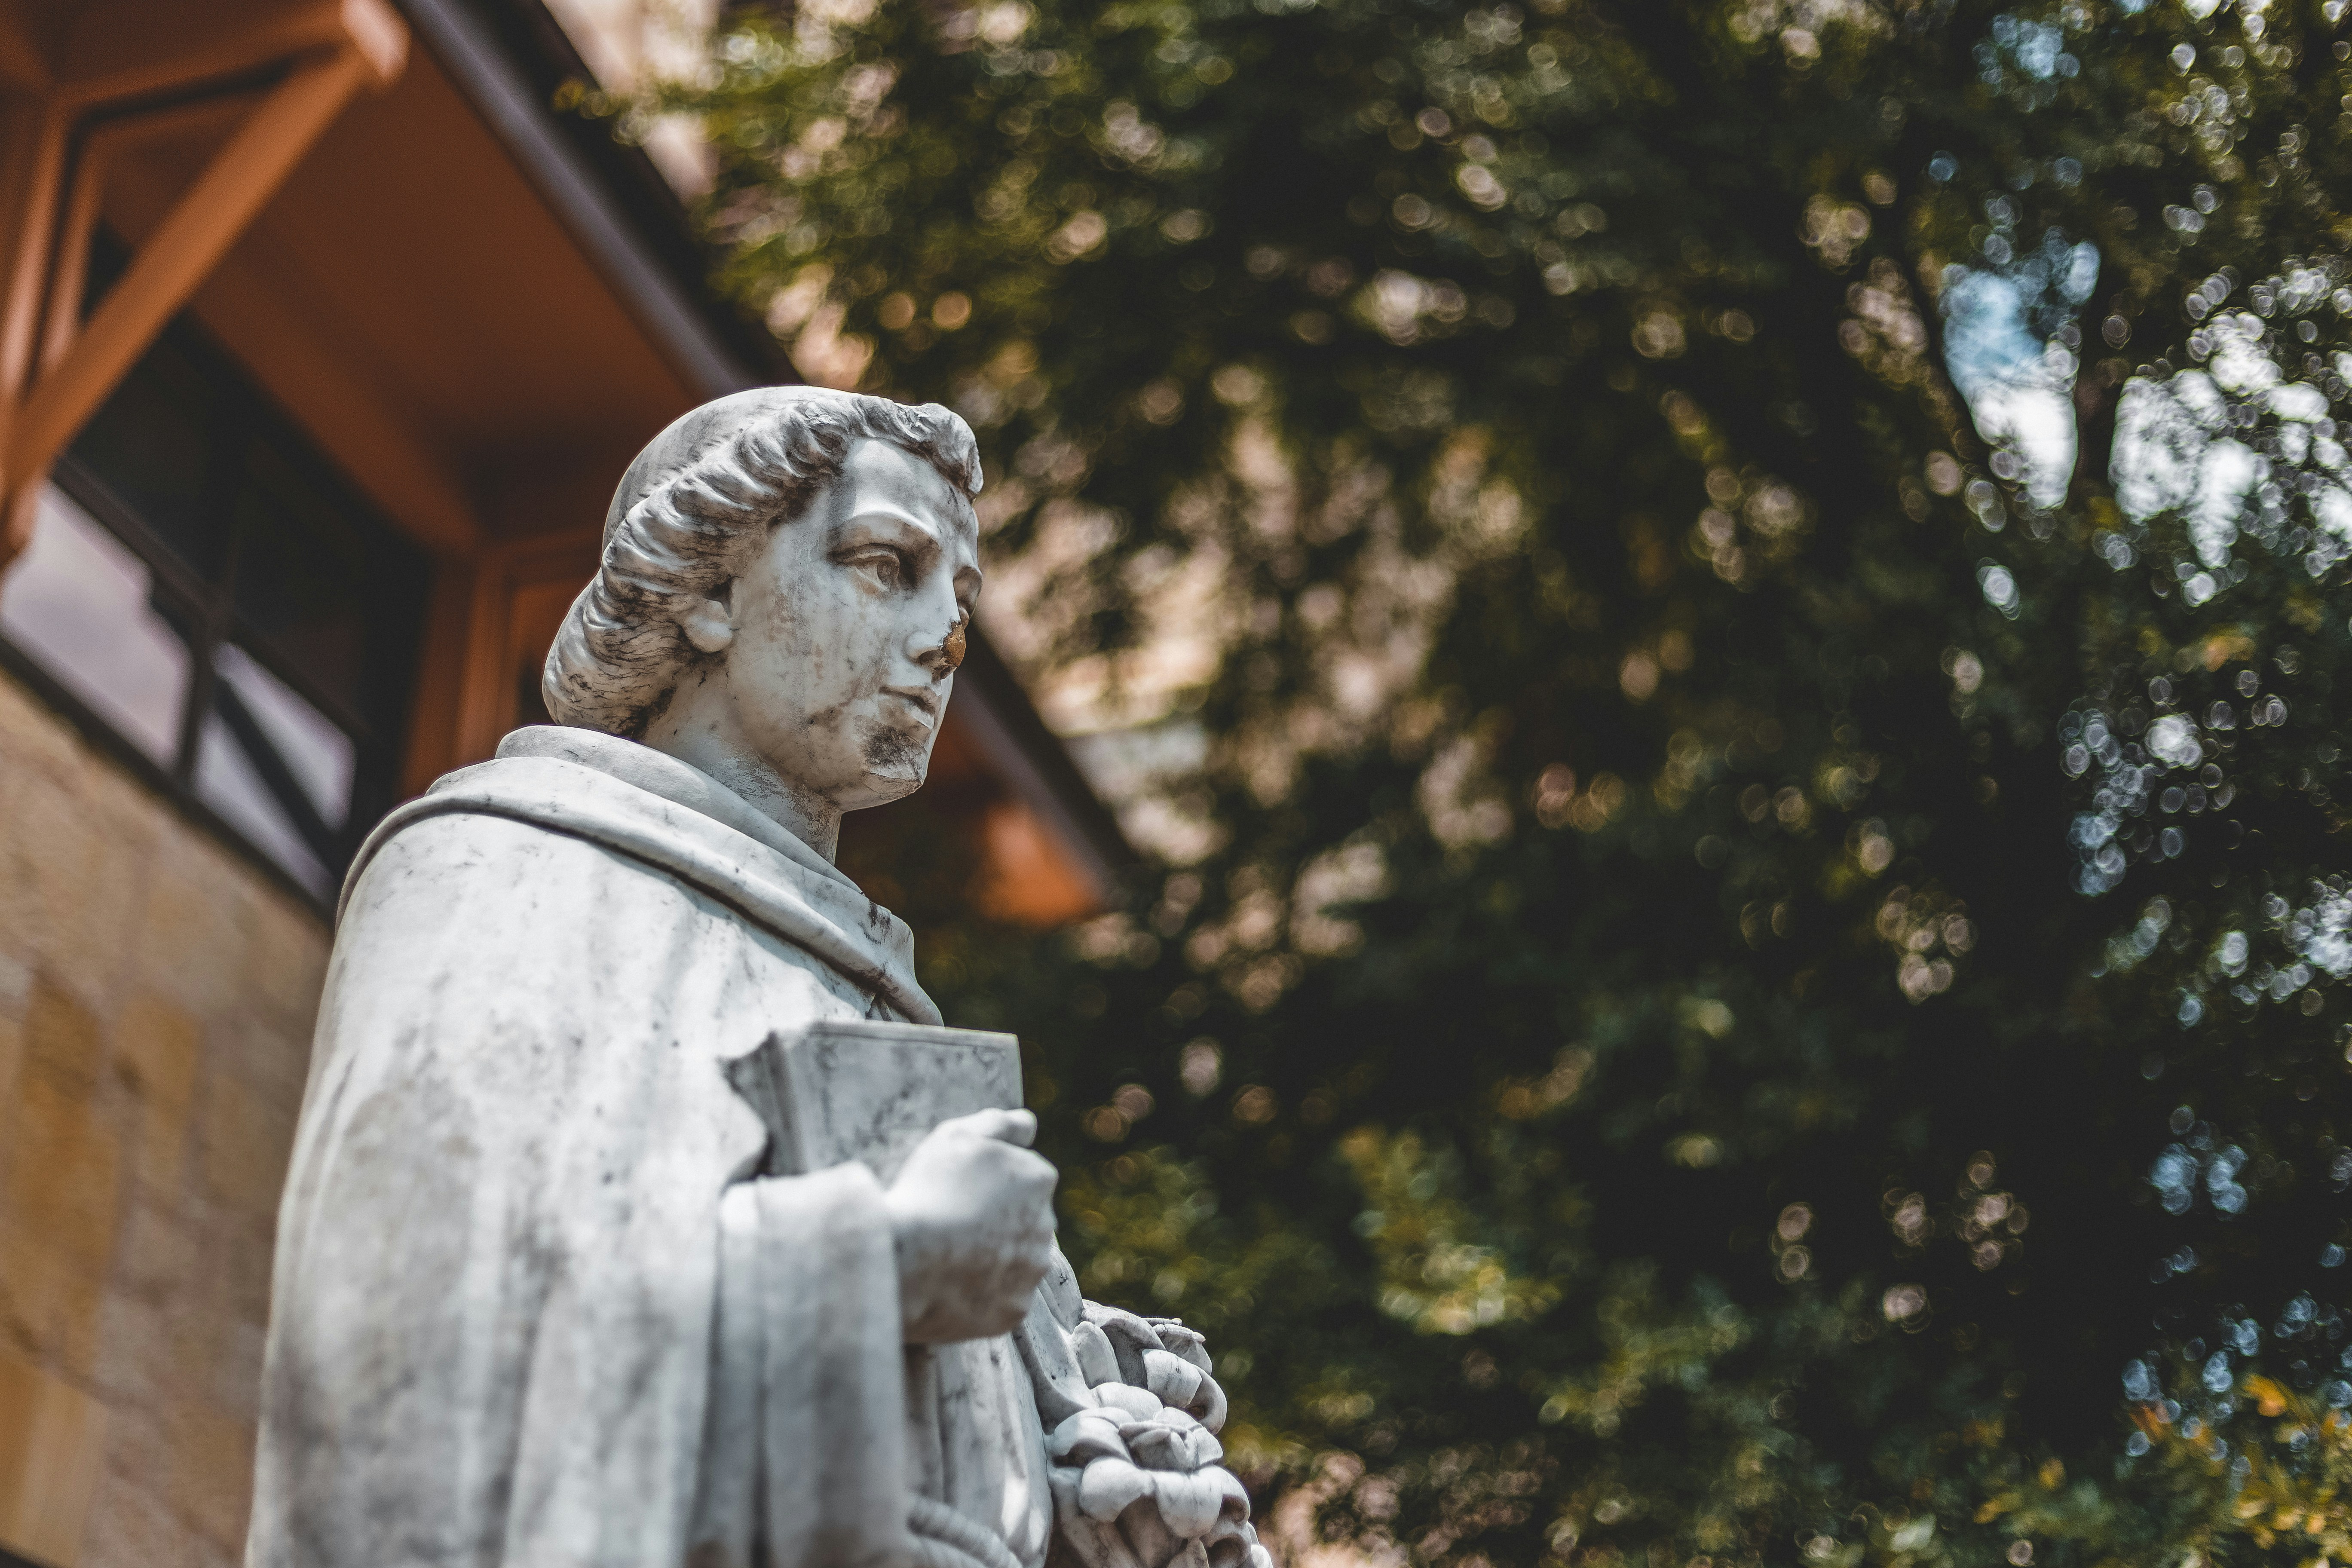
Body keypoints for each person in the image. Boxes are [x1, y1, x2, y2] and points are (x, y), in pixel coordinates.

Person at [244, 389, 1262, 1568]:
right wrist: (877, 1261)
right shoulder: (504, 875)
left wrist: (1069, 1467)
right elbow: (409, 1353)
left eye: (961, 599)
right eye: (888, 565)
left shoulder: (856, 986)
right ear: (713, 591)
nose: (945, 638)